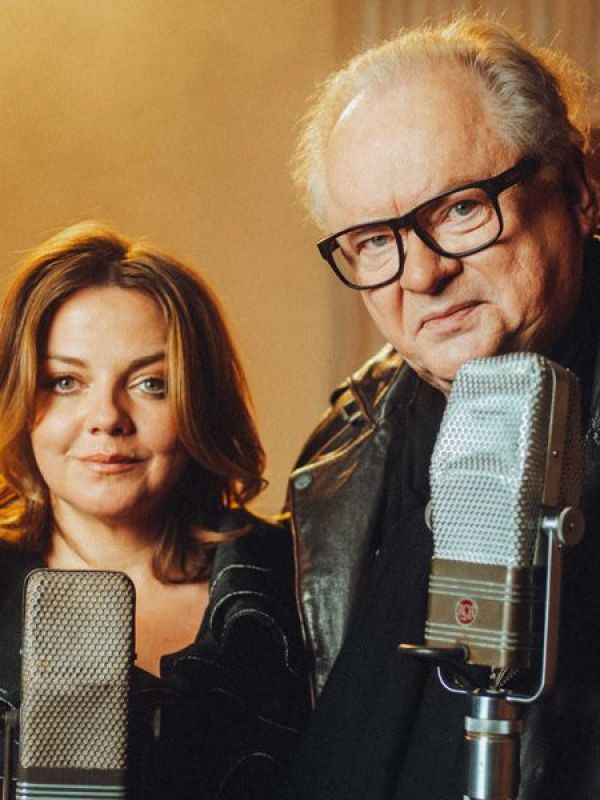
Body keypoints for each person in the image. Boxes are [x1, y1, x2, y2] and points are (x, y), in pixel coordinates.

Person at [283, 16, 600, 800]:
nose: (421, 275)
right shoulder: (343, 449)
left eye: (459, 208)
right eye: (374, 240)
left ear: (578, 190)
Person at [0, 221, 308, 799]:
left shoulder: (295, 582)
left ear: (199, 401)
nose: (107, 417)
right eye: (64, 381)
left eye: (150, 384)